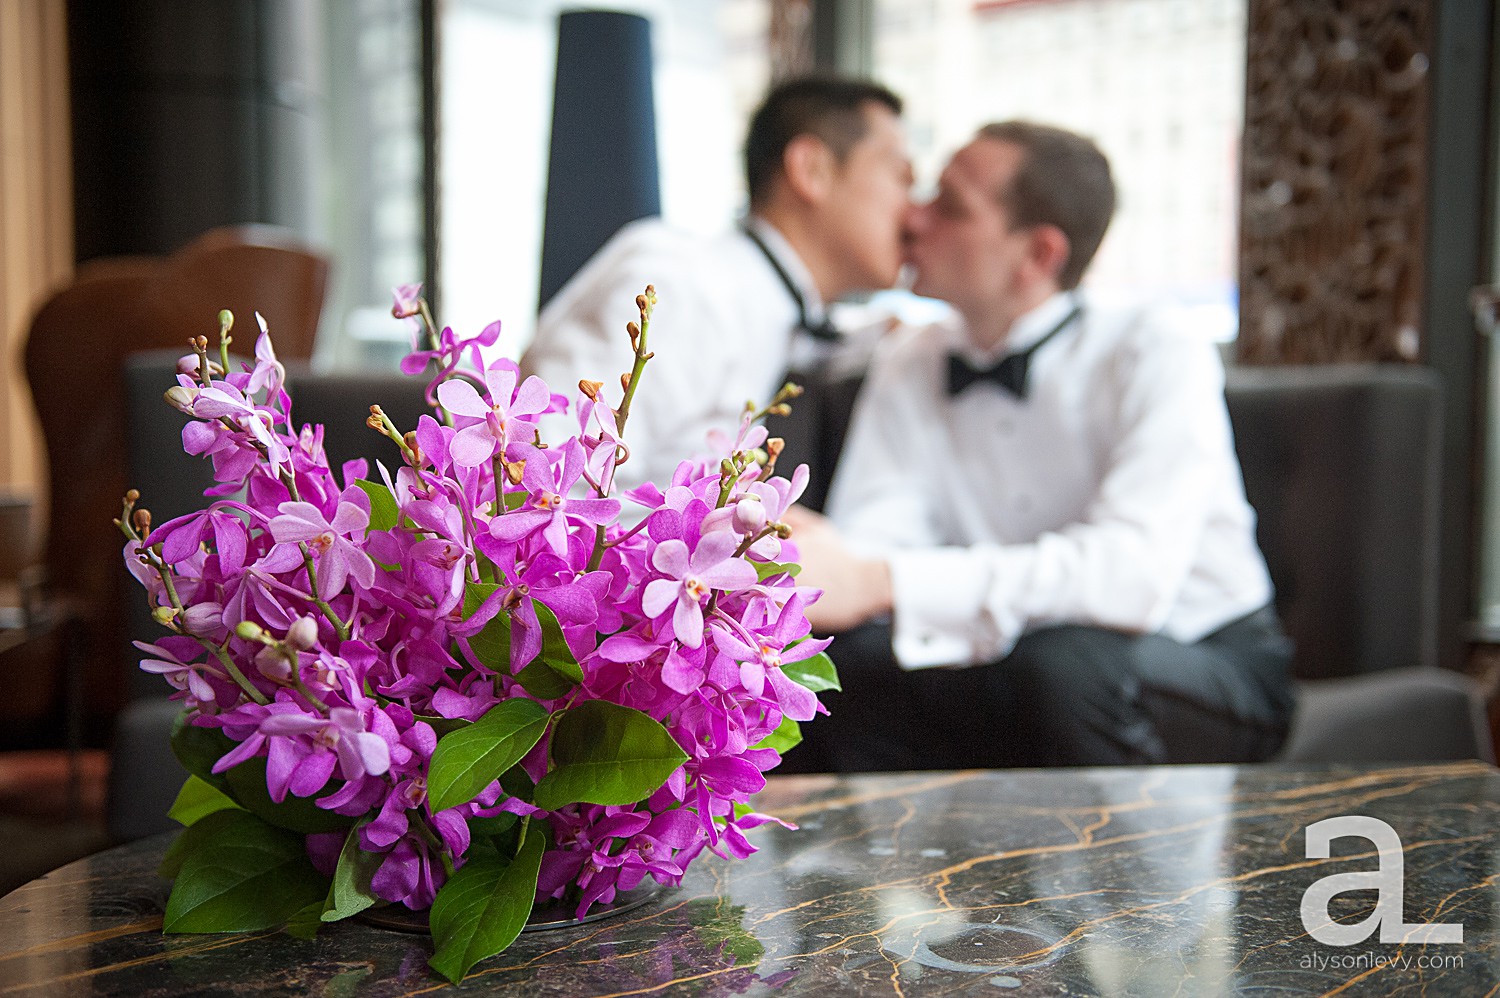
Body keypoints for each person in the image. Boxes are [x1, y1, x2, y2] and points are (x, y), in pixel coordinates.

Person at [784, 121, 1294, 771]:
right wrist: (815, 552)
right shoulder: (910, 356)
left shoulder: (1156, 349)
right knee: (839, 669)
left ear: (1040, 255)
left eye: (950, 205)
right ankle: (897, 869)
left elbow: (1129, 577)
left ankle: (1129, 877)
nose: (913, 216)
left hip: (1193, 656)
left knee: (1067, 670)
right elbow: (877, 537)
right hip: (1003, 657)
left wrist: (879, 578)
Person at [520, 75, 913, 491]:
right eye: (901, 175)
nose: (916, 210)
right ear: (811, 169)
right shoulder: (681, 283)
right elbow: (549, 481)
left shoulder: (792, 318)